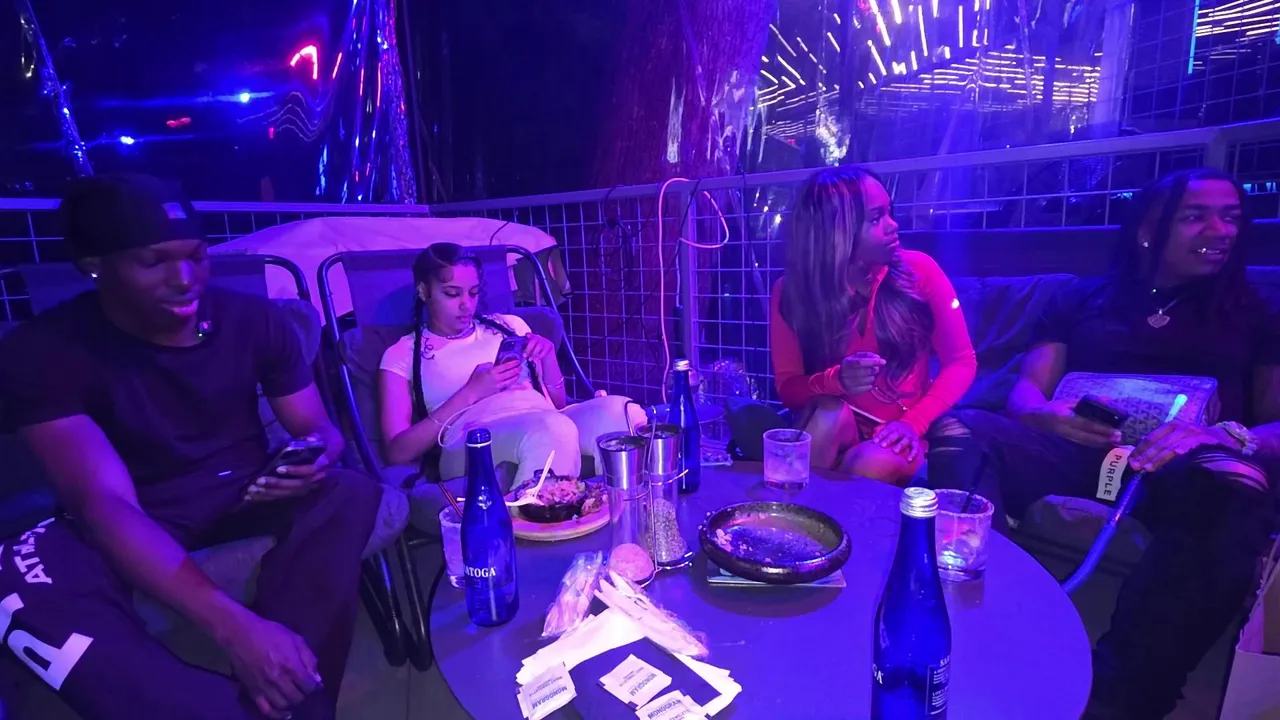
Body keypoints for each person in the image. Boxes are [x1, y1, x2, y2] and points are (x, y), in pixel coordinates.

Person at [0, 175, 385, 720]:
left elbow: (318, 427)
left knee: (349, 491)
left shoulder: (255, 320)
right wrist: (234, 627)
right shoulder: (44, 351)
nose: (184, 279)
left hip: (246, 492)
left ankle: (292, 690)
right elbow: (102, 501)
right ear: (95, 264)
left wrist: (314, 454)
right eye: (153, 261)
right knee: (17, 580)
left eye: (196, 256)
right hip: (136, 510)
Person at [925, 168, 1279, 718]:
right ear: (1148, 231)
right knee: (960, 428)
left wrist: (1222, 435)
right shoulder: (1080, 298)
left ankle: (1122, 694)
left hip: (1187, 469)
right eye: (1196, 217)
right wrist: (1042, 414)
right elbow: (1027, 391)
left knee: (1235, 482)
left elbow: (1274, 426)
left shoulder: (1257, 311)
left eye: (1231, 218)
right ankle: (984, 619)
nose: (1221, 231)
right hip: (1079, 451)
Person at [770, 166, 977, 484]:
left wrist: (914, 424)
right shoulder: (791, 291)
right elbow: (788, 389)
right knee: (827, 415)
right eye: (877, 218)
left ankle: (802, 495)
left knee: (867, 464)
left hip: (903, 430)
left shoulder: (920, 271)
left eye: (890, 212)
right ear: (836, 233)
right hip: (837, 422)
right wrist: (836, 380)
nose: (894, 225)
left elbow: (961, 362)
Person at [378, 243, 644, 484]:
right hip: (470, 437)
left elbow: (558, 404)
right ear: (424, 291)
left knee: (622, 412)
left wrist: (548, 358)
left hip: (543, 415)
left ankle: (620, 511)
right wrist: (471, 392)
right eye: (452, 294)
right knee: (552, 429)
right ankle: (538, 520)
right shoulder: (403, 354)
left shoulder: (509, 326)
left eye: (473, 293)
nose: (466, 305)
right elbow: (397, 451)